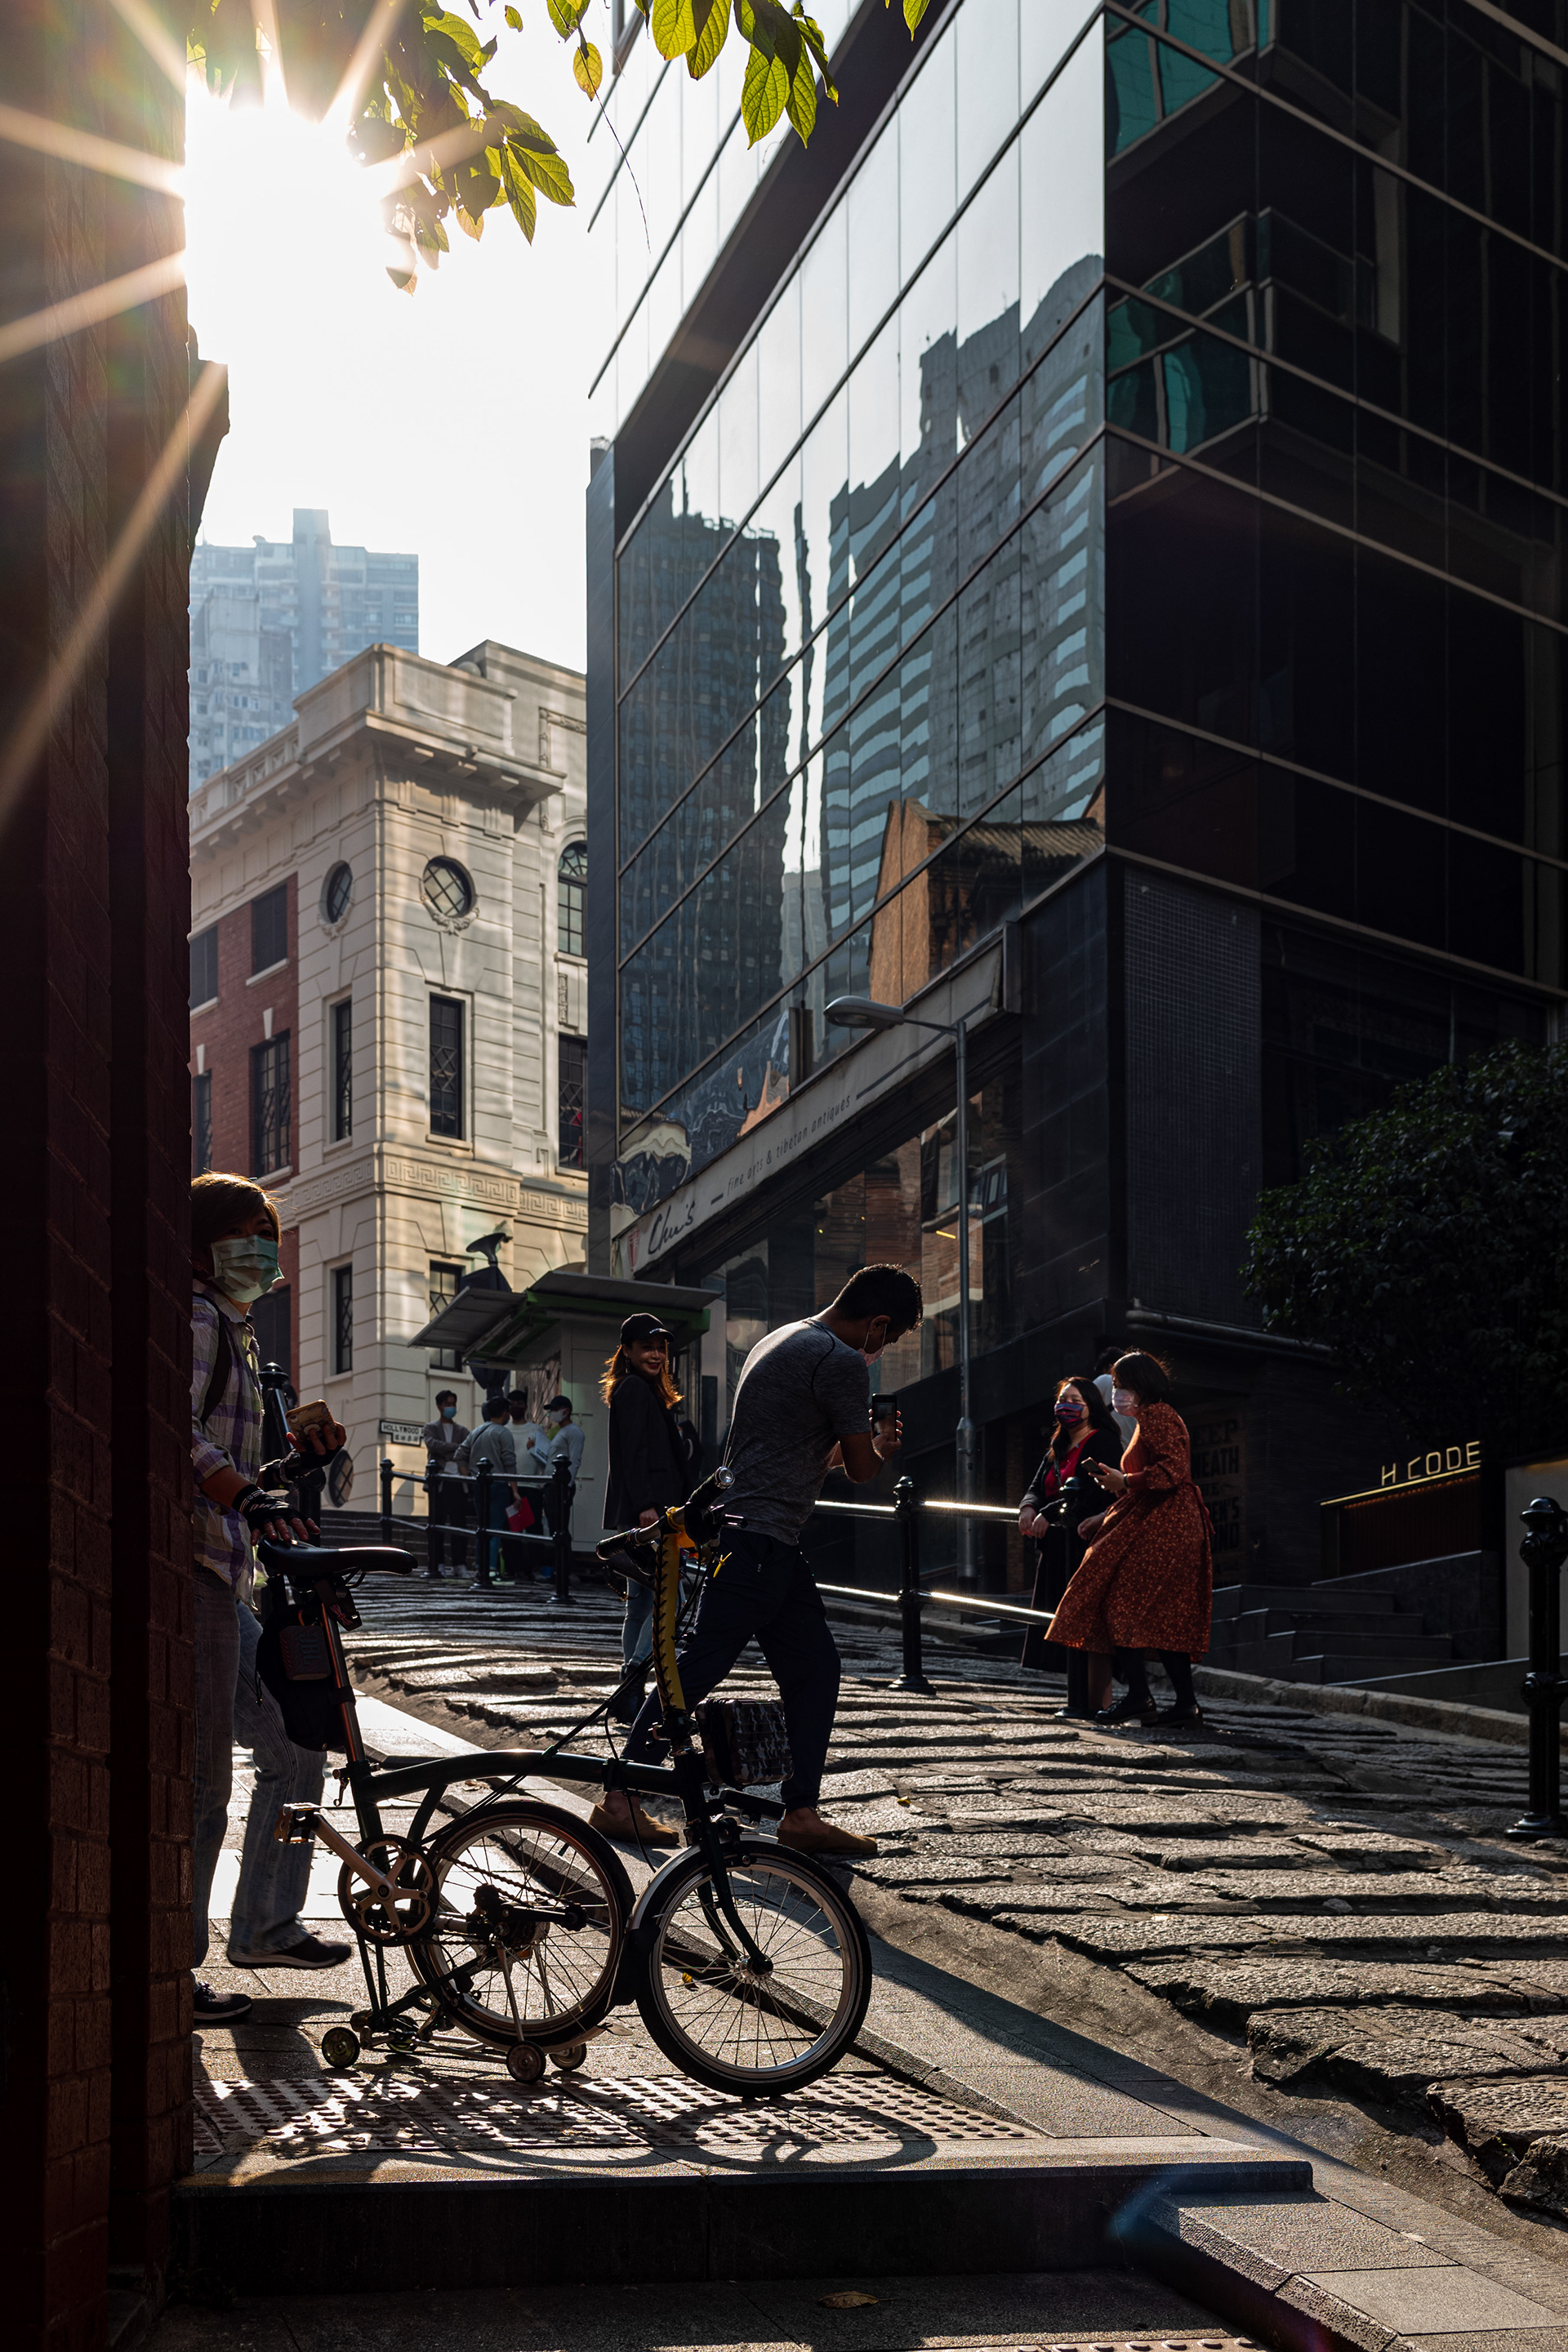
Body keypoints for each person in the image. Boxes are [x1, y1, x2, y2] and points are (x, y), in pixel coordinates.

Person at [594, 1263, 921, 1856]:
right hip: (760, 1541)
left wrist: (857, 1449)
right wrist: (881, 1447)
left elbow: (798, 1456)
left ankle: (800, 1812)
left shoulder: (783, 1336)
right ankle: (620, 1798)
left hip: (757, 1537)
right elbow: (864, 1469)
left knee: (814, 1669)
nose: (884, 1350)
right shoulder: (841, 1359)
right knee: (696, 1668)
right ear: (877, 1323)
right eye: (890, 1338)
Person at [189, 1174, 351, 2021]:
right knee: (199, 1780)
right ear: (207, 1239)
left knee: (298, 1743)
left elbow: (241, 1470)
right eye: (248, 1230)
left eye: (269, 1231)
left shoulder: (241, 1335)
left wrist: (287, 1473)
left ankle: (266, 1922)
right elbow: (171, 1427)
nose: (263, 1246)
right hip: (193, 1574)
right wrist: (235, 1490)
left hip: (231, 1573)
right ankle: (171, 1966)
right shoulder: (198, 1320)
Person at [1049, 1351, 1213, 1728]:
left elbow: (1173, 1471)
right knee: (1160, 1612)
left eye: (1122, 1386)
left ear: (1141, 1385)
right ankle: (1183, 1704)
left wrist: (1125, 1481)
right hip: (1159, 1522)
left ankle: (1142, 1697)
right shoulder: (1150, 1419)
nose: (1117, 1394)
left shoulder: (1157, 1416)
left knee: (1123, 1604)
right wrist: (1117, 1492)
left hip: (1164, 1525)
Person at [600, 1316, 693, 1716]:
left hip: (645, 1510)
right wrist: (645, 1508)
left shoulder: (639, 1389)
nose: (656, 1355)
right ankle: (634, 1677)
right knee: (669, 1602)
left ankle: (628, 1685)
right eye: (646, 1348)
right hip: (651, 1513)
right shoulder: (636, 1389)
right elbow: (635, 1453)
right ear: (629, 1352)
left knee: (639, 1604)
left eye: (661, 1348)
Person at [1017, 1376, 1124, 1710]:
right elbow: (1038, 1484)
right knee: (1063, 1624)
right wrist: (1028, 1507)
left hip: (1085, 1545)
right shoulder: (1058, 1445)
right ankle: (1078, 1700)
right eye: (1063, 1399)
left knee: (1088, 1627)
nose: (1068, 1405)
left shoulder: (1103, 1441)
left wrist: (1048, 1512)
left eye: (1076, 1399)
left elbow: (1091, 1492)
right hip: (1055, 1548)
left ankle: (1095, 1705)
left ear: (1092, 1407)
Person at [454, 1396, 519, 1586]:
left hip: (478, 1485)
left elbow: (460, 1455)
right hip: (498, 1484)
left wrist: (469, 1478)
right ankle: (490, 1569)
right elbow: (509, 1463)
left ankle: (480, 1566)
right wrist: (515, 1491)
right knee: (495, 1528)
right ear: (505, 1413)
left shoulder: (476, 1431)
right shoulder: (503, 1433)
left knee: (482, 1527)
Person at [421, 1389, 470, 1579]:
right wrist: (455, 1448)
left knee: (459, 1525)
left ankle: (459, 1564)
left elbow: (467, 1448)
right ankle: (437, 1563)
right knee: (436, 1524)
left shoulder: (462, 1430)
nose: (451, 1407)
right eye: (448, 1404)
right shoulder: (431, 1427)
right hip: (438, 1482)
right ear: (439, 1406)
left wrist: (448, 1450)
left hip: (458, 1482)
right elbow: (432, 1444)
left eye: (453, 1404)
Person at [1093, 1343, 1137, 1451]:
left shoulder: (1105, 1379)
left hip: (1111, 1448)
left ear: (1109, 1367)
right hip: (1130, 1453)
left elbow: (1084, 1401)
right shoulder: (1136, 1389)